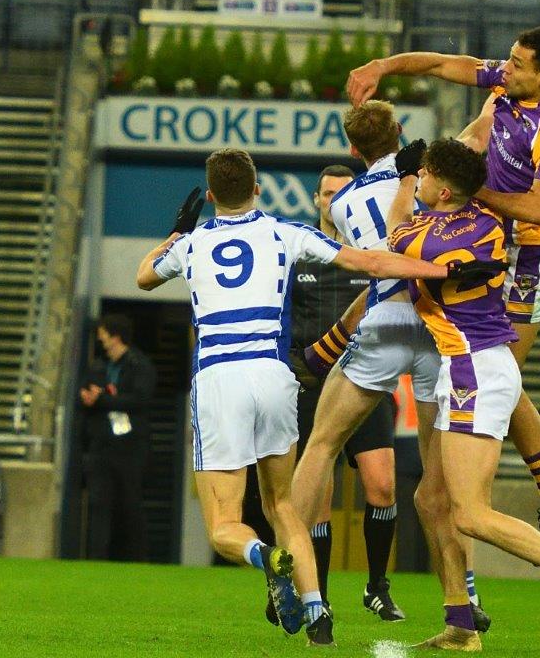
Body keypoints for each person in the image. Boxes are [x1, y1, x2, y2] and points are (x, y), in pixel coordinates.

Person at [135, 148, 494, 646]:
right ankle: (317, 610)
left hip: (220, 378)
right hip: (275, 376)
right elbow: (368, 260)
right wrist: (445, 272)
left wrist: (176, 234)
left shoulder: (192, 244)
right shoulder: (286, 232)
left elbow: (144, 276)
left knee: (225, 525)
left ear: (212, 195)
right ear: (258, 189)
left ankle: (266, 557)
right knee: (283, 502)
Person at [346, 27, 540, 544]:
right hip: (494, 243)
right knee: (487, 361)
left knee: (501, 369)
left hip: (530, 257)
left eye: (518, 64)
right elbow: (440, 68)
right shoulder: (509, 86)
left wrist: (469, 187)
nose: (506, 67)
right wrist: (381, 66)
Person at [383, 137, 540, 651]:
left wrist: (403, 184)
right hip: (471, 364)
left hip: (476, 370)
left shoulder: (428, 234)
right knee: (431, 499)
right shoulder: (484, 222)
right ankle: (460, 625)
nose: (418, 180)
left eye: (424, 175)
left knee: (469, 512)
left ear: (441, 189)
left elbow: (392, 242)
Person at [291, 102, 501, 632]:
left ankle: (288, 568)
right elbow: (474, 139)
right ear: (403, 134)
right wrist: (491, 102)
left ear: (354, 151)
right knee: (445, 484)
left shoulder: (343, 204)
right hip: (440, 327)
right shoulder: (433, 174)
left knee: (320, 444)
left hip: (384, 320)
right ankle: (463, 600)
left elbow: (374, 259)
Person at [286, 163, 409, 621]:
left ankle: (377, 586)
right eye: (326, 193)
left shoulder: (370, 254)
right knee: (320, 498)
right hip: (312, 388)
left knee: (382, 486)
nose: (333, 201)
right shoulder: (300, 254)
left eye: (342, 193)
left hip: (366, 382)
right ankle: (319, 596)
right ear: (318, 200)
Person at [78, 313, 156, 562]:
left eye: (104, 335)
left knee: (129, 504)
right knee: (99, 504)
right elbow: (87, 393)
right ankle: (97, 560)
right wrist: (89, 399)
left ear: (116, 336)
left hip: (130, 448)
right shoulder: (99, 366)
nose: (101, 340)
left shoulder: (139, 365)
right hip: (101, 446)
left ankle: (135, 559)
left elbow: (141, 399)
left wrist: (104, 399)